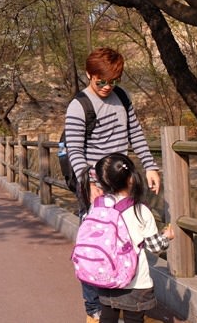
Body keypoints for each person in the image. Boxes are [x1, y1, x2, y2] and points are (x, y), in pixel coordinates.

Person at [64, 47, 161, 322]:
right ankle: (94, 309)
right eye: (101, 81)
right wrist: (87, 183)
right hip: (94, 185)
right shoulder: (79, 105)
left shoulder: (122, 96)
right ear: (88, 75)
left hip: (122, 181)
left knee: (127, 242)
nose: (107, 87)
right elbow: (75, 149)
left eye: (112, 81)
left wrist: (150, 165)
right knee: (94, 249)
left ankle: (125, 302)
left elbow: (136, 134)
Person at [93, 153, 174, 323]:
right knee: (134, 319)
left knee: (107, 318)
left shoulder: (98, 206)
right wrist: (166, 236)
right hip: (135, 282)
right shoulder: (140, 211)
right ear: (131, 179)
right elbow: (154, 247)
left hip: (106, 277)